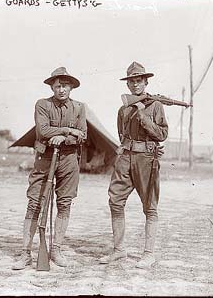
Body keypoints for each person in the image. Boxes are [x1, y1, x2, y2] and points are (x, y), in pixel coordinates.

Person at [12, 67, 87, 270]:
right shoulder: (42, 105)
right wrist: (68, 130)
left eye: (65, 86)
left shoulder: (80, 108)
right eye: (57, 86)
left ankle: (56, 250)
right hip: (44, 158)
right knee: (34, 203)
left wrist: (64, 137)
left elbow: (83, 134)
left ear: (71, 87)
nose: (61, 90)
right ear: (52, 87)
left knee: (64, 204)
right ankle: (25, 252)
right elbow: (43, 130)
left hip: (69, 160)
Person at [99, 61, 168, 268]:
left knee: (150, 206)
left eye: (139, 81)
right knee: (115, 201)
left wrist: (142, 114)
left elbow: (162, 134)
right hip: (126, 157)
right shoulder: (123, 109)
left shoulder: (155, 106)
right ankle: (119, 250)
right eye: (132, 82)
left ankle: (149, 253)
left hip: (146, 159)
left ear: (146, 82)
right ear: (128, 85)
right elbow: (122, 135)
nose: (135, 85)